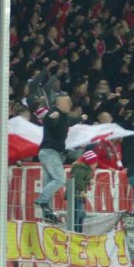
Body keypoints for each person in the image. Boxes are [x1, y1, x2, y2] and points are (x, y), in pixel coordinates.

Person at [35, 93, 83, 223]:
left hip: (52, 153)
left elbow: (70, 121)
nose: (70, 105)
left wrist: (80, 118)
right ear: (59, 104)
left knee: (50, 181)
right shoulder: (54, 113)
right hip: (50, 152)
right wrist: (50, 117)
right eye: (67, 103)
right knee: (60, 179)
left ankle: (48, 212)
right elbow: (48, 120)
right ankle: (42, 200)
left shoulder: (64, 116)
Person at [70, 150, 97, 232]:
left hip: (78, 195)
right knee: (78, 215)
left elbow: (82, 179)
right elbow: (78, 180)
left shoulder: (84, 169)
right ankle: (75, 232)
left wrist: (89, 181)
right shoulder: (80, 168)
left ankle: (78, 232)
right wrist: (82, 191)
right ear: (90, 162)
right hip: (76, 194)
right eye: (95, 162)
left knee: (80, 215)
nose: (96, 164)